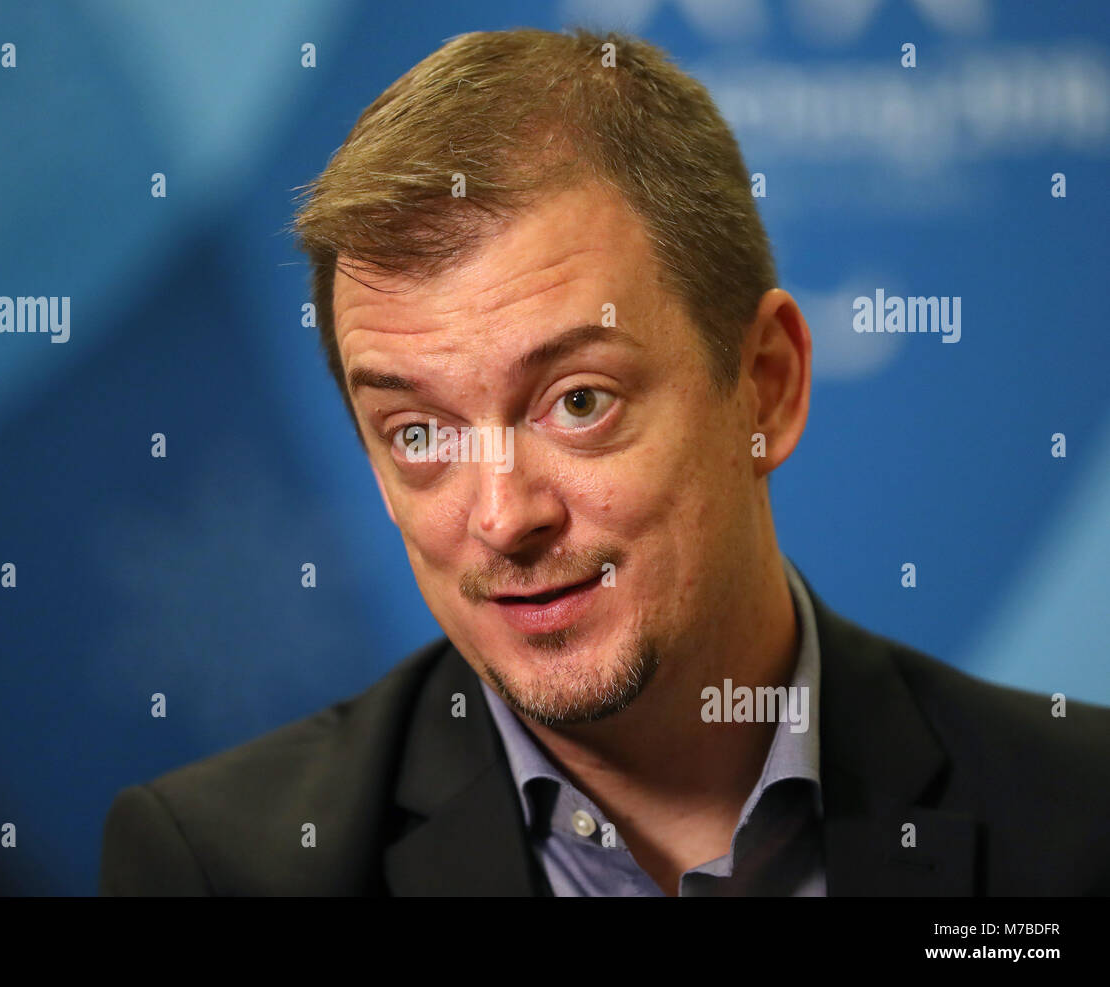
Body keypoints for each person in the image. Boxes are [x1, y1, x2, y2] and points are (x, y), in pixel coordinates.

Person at [99, 27, 1110, 896]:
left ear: (765, 385)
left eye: (577, 403)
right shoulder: (223, 870)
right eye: (419, 433)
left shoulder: (1082, 820)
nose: (502, 517)